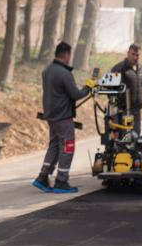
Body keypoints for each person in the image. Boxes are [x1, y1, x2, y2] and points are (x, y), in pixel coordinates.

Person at [32, 41, 96, 194]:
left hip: (51, 116)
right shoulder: (64, 73)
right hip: (63, 117)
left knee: (54, 145)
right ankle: (61, 181)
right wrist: (89, 86)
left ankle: (43, 177)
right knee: (67, 147)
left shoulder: (47, 71)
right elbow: (76, 94)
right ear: (67, 55)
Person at [110, 43, 142, 135]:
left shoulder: (141, 68)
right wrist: (116, 109)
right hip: (124, 112)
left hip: (137, 110)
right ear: (128, 54)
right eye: (133, 54)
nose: (135, 57)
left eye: (137, 55)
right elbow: (110, 90)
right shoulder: (119, 68)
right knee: (126, 137)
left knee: (135, 136)